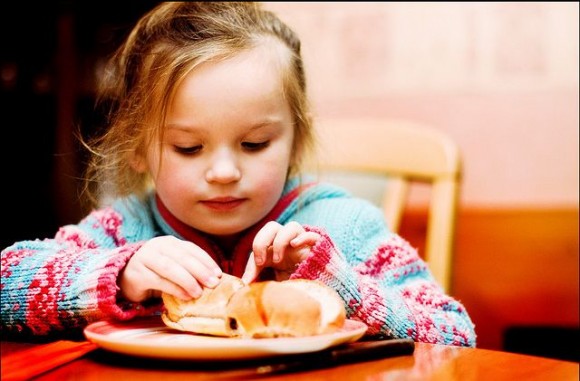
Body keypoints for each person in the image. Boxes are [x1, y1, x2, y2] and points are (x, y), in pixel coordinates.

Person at [0, 2, 476, 346]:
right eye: (188, 147)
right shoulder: (124, 228)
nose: (225, 172)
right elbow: (6, 284)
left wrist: (337, 284)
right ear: (137, 149)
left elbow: (454, 332)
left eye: (254, 144)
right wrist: (117, 274)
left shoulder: (343, 226)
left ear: (296, 140)